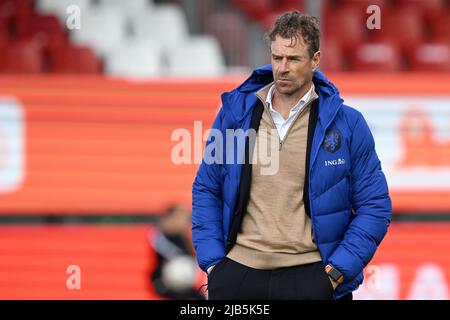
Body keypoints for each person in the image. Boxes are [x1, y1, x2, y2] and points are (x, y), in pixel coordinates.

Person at [192, 11, 392, 300]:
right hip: (239, 274)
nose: (282, 68)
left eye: (293, 59)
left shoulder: (348, 124)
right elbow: (206, 188)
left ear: (315, 60)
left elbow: (375, 205)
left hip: (312, 276)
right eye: (276, 58)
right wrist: (213, 264)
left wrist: (336, 273)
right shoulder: (234, 115)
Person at [149, 205, 205, 300]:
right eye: (179, 218)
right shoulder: (158, 235)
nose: (183, 222)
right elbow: (177, 256)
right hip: (163, 281)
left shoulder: (181, 237)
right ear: (169, 218)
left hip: (184, 280)